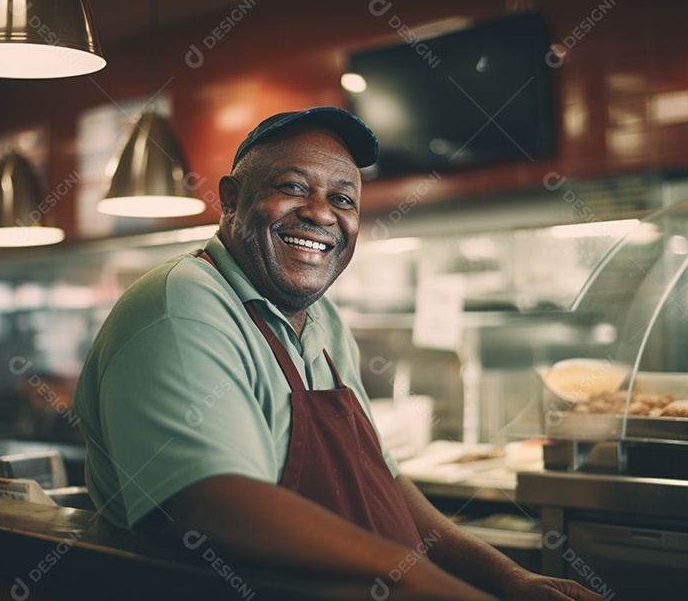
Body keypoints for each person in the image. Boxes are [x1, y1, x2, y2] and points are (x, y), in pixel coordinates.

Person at [74, 106, 602, 601]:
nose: (319, 214)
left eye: (343, 199)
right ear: (231, 198)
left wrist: (509, 579)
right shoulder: (182, 304)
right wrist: (426, 582)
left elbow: (386, 485)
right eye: (292, 188)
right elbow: (213, 503)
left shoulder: (322, 322)